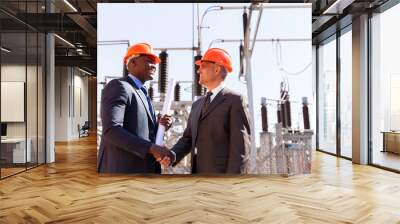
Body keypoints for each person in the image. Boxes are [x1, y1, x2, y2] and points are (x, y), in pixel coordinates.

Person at [161, 48, 251, 174]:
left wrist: (232, 183)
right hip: (198, 178)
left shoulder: (235, 101)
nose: (198, 70)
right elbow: (188, 139)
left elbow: (240, 148)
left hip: (221, 180)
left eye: (203, 66)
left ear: (216, 69)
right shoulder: (197, 105)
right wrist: (172, 154)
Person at [98, 43, 174, 173]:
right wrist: (152, 148)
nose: (154, 66)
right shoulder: (119, 86)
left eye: (155, 63)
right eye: (149, 61)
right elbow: (112, 130)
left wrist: (160, 126)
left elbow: (141, 133)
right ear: (133, 63)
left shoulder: (142, 93)